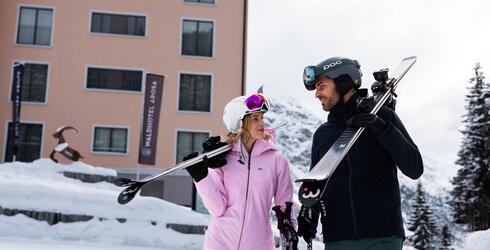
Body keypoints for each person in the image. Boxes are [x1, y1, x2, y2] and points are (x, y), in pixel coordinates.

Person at [297, 57, 424, 250]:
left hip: (383, 238)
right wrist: (309, 211)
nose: (317, 94)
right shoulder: (323, 135)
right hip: (338, 240)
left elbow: (414, 168)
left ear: (343, 82)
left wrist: (382, 129)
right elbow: (316, 184)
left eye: (321, 86)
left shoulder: (383, 117)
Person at [183, 93, 294, 250]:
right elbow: (217, 208)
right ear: (239, 123)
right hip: (220, 243)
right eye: (255, 118)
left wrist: (290, 241)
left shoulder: (276, 160)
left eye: (262, 117)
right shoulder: (223, 158)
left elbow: (285, 207)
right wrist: (201, 177)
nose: (262, 123)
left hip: (259, 244)